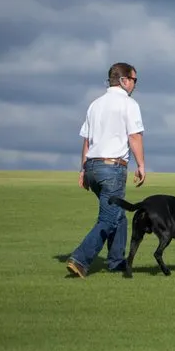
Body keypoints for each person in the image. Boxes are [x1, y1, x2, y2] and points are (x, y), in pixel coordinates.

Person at [66, 62, 147, 278]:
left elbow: (87, 140)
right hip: (112, 167)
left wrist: (83, 170)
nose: (134, 85)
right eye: (134, 80)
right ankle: (80, 260)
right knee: (109, 218)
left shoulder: (95, 104)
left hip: (92, 167)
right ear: (123, 80)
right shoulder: (128, 104)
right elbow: (134, 136)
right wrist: (141, 165)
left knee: (118, 214)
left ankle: (116, 262)